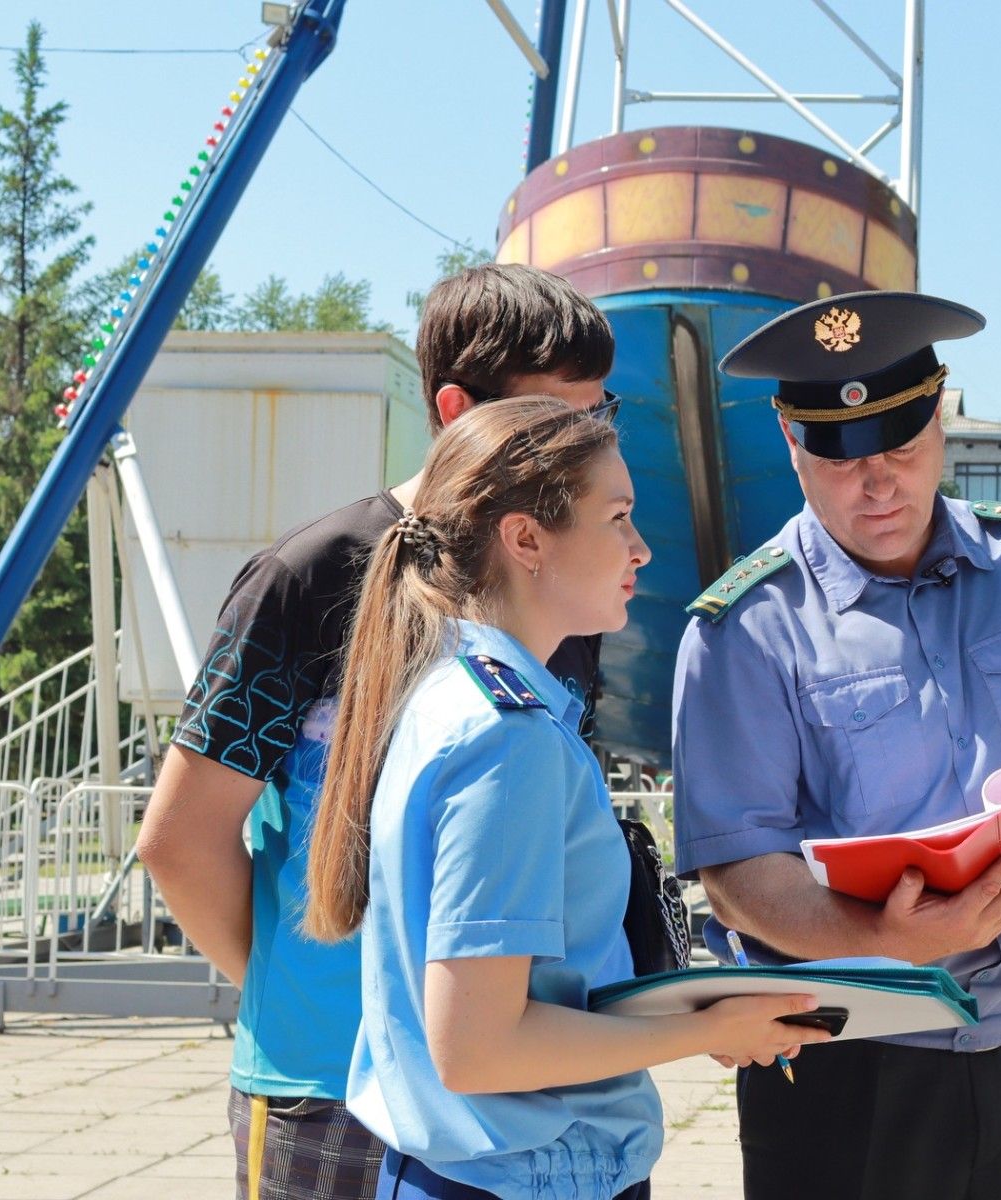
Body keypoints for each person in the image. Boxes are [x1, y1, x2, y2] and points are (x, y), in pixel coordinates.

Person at [670, 290, 1001, 1199]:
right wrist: (882, 935)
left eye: (902, 448)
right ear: (792, 443)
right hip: (840, 1072)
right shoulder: (743, 630)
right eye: (841, 460)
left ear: (941, 417)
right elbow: (739, 875)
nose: (878, 485)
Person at [136, 264, 622, 1199]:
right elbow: (181, 839)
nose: (592, 445)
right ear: (454, 408)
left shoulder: (564, 580)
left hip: (509, 1091)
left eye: (603, 418)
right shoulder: (312, 575)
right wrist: (314, 1001)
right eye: (562, 423)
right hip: (330, 1096)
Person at [301, 396, 824, 1200]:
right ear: (526, 539)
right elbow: (478, 1046)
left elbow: (530, 993)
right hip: (526, 1178)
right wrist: (710, 1030)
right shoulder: (505, 737)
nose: (641, 548)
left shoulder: (451, 698)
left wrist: (688, 1011)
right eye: (617, 518)